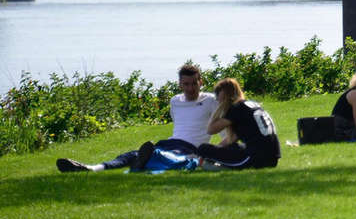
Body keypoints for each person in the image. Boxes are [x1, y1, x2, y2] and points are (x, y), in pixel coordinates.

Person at [57, 63, 217, 172]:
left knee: (169, 158)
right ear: (180, 84)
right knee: (131, 155)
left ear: (200, 82)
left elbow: (225, 127)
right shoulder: (175, 101)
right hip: (170, 143)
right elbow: (179, 125)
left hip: (191, 149)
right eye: (186, 84)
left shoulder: (210, 100)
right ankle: (91, 168)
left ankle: (142, 164)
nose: (190, 88)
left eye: (194, 84)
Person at [195, 78, 281, 170]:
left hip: (255, 158)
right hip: (272, 159)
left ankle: (221, 168)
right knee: (233, 147)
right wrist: (217, 149)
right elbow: (231, 140)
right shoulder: (250, 105)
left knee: (203, 149)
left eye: (218, 96)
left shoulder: (236, 108)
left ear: (222, 94)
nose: (217, 100)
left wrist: (220, 108)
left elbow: (211, 130)